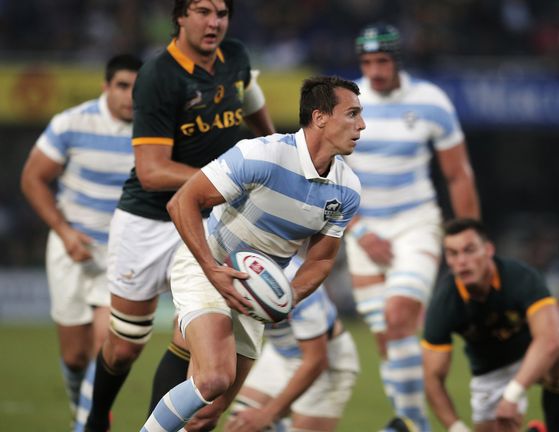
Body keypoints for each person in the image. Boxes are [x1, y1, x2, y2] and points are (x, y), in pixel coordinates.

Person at [85, 1, 275, 431]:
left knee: (192, 338)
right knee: (125, 344)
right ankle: (97, 418)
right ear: (181, 17)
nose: (214, 23)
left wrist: (280, 159)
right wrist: (223, 181)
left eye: (222, 13)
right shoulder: (157, 75)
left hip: (210, 219)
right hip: (148, 221)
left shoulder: (238, 58)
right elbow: (152, 172)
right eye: (203, 12)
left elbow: (258, 119)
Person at [141, 75, 363, 432]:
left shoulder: (347, 189)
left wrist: (288, 297)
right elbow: (183, 200)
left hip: (253, 289)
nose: (361, 124)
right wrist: (212, 269)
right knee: (214, 378)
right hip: (207, 265)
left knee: (207, 414)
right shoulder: (262, 153)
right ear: (320, 117)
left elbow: (320, 260)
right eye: (352, 114)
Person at [344, 23, 481, 431]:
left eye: (382, 61)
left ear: (398, 61)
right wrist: (359, 230)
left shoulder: (431, 102)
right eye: (367, 62)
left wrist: (469, 237)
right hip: (362, 229)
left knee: (399, 314)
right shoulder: (345, 102)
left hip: (416, 222)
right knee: (388, 338)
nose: (375, 71)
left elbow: (458, 175)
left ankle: (411, 424)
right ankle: (413, 420)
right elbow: (322, 174)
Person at [19, 53, 142, 426]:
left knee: (108, 345)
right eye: (122, 86)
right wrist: (65, 231)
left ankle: (85, 423)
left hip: (121, 253)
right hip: (71, 246)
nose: (129, 96)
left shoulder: (154, 129)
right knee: (73, 357)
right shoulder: (71, 123)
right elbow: (32, 178)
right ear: (106, 87)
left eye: (137, 88)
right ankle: (83, 408)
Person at [422, 218, 559, 432]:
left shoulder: (520, 277)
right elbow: (432, 379)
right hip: (491, 371)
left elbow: (549, 341)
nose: (462, 261)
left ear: (488, 250)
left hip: (533, 351)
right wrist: (457, 429)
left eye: (469, 250)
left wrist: (512, 395)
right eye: (453, 254)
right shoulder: (444, 303)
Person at [225, 257, 359, 432]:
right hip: (278, 352)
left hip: (327, 361)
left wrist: (268, 414)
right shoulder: (234, 262)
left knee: (259, 421)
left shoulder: (300, 285)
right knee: (240, 427)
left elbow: (316, 360)